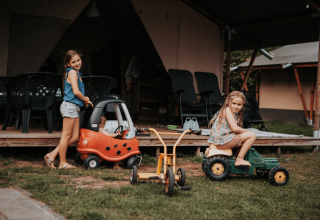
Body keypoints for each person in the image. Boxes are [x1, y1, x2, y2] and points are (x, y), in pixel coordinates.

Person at [44, 50, 93, 169]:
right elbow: (76, 92)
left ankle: (51, 155)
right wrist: (86, 99)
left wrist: (83, 101)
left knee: (75, 136)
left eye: (78, 60)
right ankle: (62, 163)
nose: (77, 63)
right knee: (66, 136)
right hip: (69, 106)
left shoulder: (76, 73)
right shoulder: (72, 73)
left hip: (74, 106)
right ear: (68, 63)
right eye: (73, 61)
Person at [208, 91, 256, 167]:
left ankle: (239, 158)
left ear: (242, 105)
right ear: (228, 102)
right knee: (252, 135)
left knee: (243, 137)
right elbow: (234, 128)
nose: (236, 106)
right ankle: (239, 159)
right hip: (222, 141)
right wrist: (247, 131)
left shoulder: (230, 111)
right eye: (234, 103)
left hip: (220, 140)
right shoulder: (227, 110)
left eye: (239, 104)